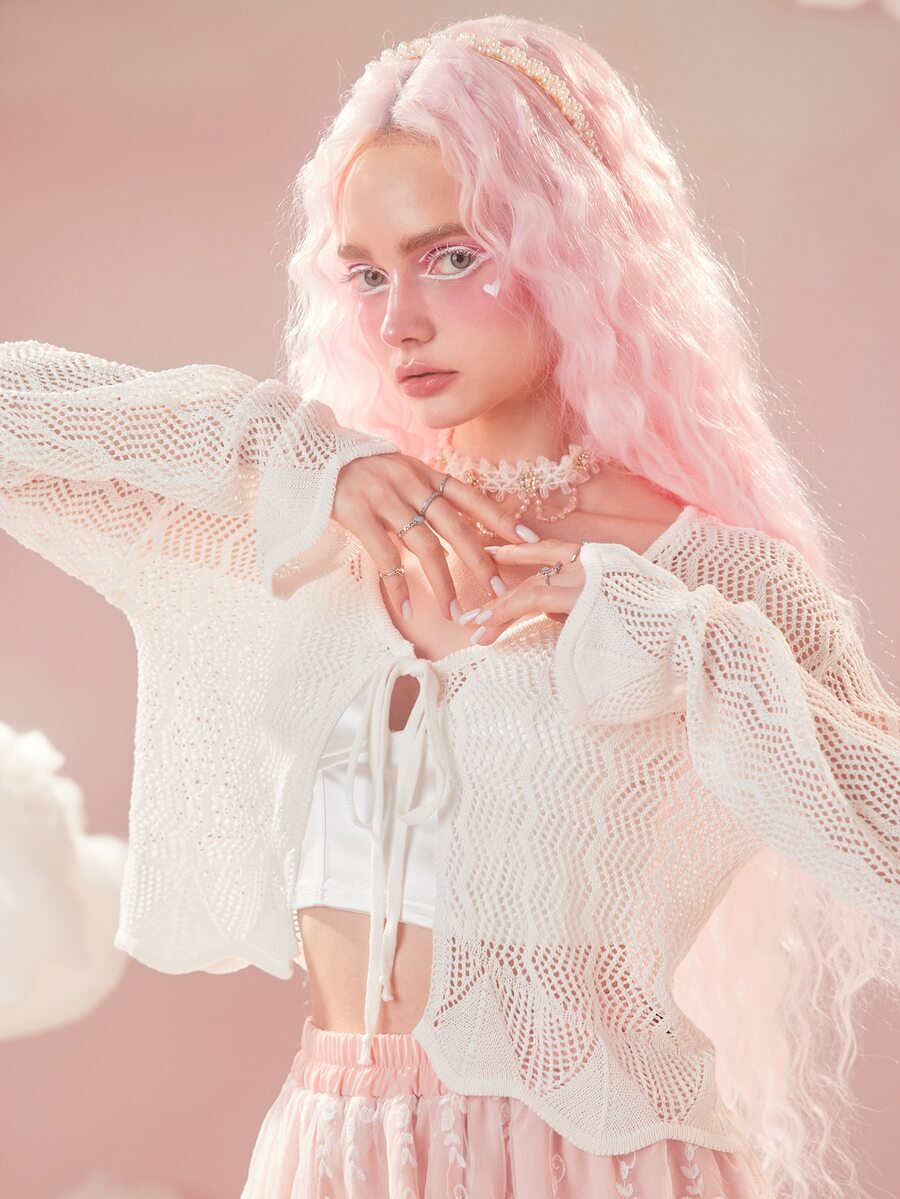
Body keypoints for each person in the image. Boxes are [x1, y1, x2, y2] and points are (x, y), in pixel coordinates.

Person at [1, 13, 898, 1199]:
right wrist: (282, 446)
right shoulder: (321, 530)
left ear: (574, 249)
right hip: (333, 1148)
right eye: (367, 274)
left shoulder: (714, 579)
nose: (399, 321)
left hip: (600, 1159)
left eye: (453, 257)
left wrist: (679, 643)